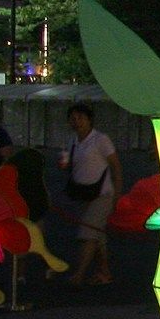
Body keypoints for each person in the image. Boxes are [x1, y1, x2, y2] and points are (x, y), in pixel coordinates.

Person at [59, 103, 121, 286]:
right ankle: (104, 272)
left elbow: (116, 166)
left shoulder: (101, 140)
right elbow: (71, 165)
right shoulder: (73, 140)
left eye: (80, 117)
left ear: (89, 120)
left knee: (87, 233)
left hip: (102, 194)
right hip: (83, 194)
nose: (76, 121)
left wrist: (117, 193)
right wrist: (64, 165)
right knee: (97, 236)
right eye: (73, 118)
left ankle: (79, 274)